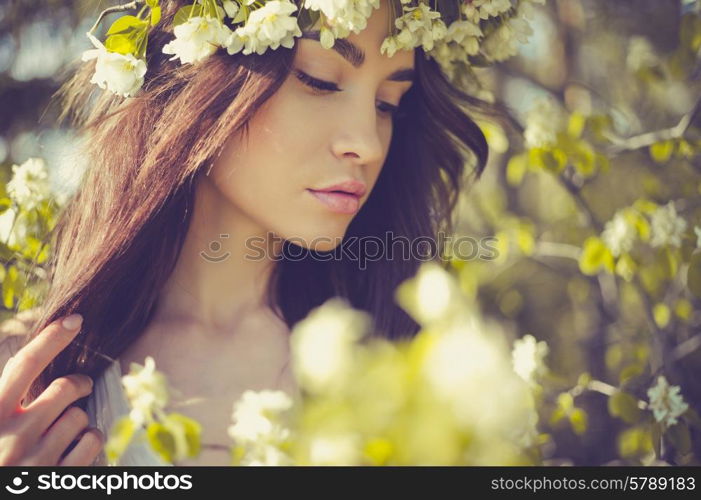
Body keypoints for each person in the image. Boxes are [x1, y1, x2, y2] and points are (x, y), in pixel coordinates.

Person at [0, 0, 501, 466]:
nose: (366, 144)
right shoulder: (24, 381)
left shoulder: (403, 373)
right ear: (199, 67)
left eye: (389, 103)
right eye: (321, 80)